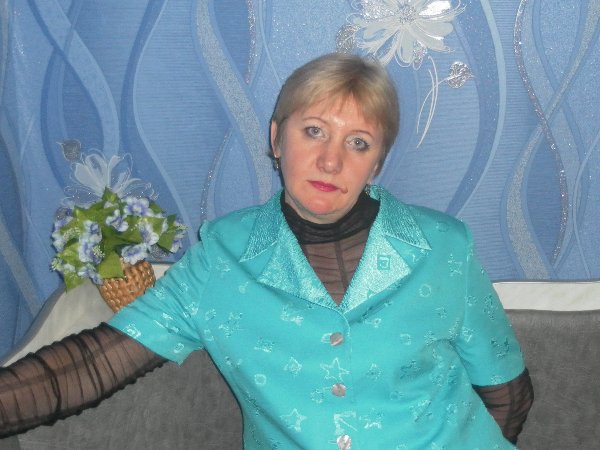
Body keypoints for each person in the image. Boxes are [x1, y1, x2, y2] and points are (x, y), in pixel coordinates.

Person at [0, 53, 533, 448]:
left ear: (377, 163)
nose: (331, 161)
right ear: (277, 139)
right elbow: (91, 364)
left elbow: (507, 393)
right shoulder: (221, 260)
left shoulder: (444, 247)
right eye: (314, 131)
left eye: (358, 143)